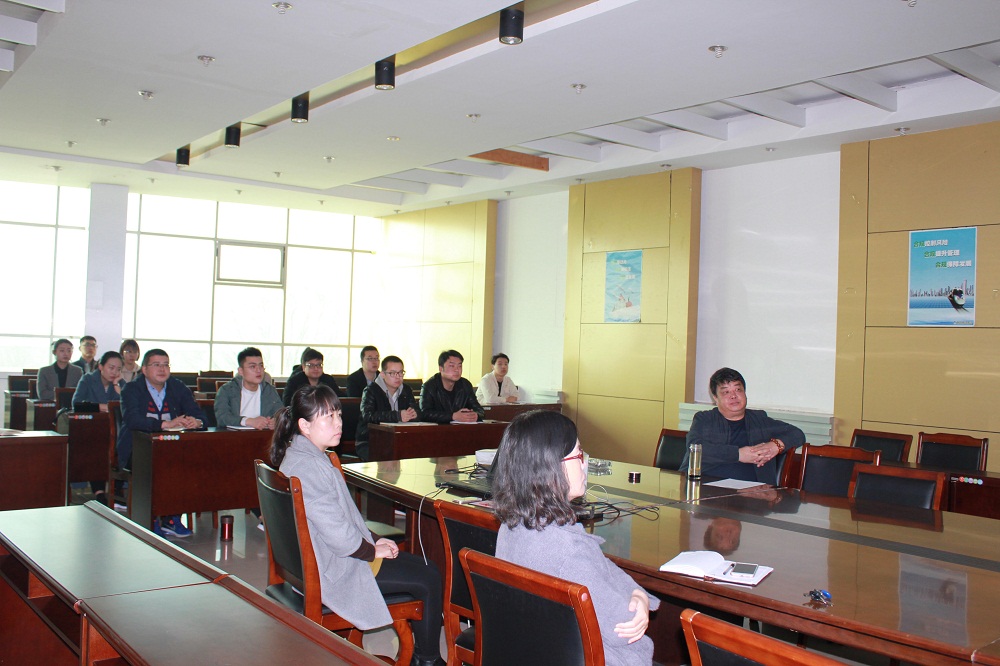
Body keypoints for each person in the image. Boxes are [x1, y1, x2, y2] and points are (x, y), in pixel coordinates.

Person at [270, 385, 444, 666]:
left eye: (338, 414)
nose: (338, 423)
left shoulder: (304, 455)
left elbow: (343, 517)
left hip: (321, 561)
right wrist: (370, 551)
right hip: (335, 569)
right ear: (304, 425)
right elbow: (338, 535)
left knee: (425, 568)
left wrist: (373, 539)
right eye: (328, 417)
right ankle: (428, 660)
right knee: (429, 576)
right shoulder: (309, 467)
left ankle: (426, 658)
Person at [492, 410, 659, 666]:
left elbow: (604, 568)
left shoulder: (512, 527)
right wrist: (641, 598)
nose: (584, 463)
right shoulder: (568, 551)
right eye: (579, 454)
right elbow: (623, 625)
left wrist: (636, 592)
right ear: (552, 466)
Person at [117, 348, 206, 538]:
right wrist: (165, 424)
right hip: (136, 449)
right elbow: (132, 420)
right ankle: (150, 520)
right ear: (144, 369)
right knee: (160, 465)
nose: (162, 369)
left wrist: (196, 421)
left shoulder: (178, 387)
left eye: (166, 365)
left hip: (171, 448)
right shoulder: (131, 389)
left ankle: (171, 518)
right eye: (156, 365)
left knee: (188, 463)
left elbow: (199, 414)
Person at [679, 367, 805, 484]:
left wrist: (775, 446)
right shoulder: (705, 419)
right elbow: (695, 448)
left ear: (745, 393)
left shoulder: (759, 420)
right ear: (715, 398)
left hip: (754, 494)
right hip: (706, 489)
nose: (733, 396)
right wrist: (739, 454)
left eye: (738, 390)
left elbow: (797, 434)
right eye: (726, 392)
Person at [355, 355, 420, 461]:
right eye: (392, 373)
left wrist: (414, 414)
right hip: (370, 440)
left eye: (400, 372)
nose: (398, 377)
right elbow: (367, 416)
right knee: (386, 458)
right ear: (382, 374)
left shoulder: (406, 390)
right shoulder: (370, 390)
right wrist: (397, 415)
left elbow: (417, 411)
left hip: (399, 439)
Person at [215, 347, 283, 429]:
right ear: (241, 371)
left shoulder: (269, 390)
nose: (259, 370)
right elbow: (222, 418)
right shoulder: (227, 390)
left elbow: (281, 414)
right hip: (233, 435)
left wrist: (275, 421)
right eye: (253, 367)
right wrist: (248, 421)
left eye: (261, 366)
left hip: (261, 435)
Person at [419, 350, 484, 423]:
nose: (457, 370)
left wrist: (475, 415)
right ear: (441, 368)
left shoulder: (465, 385)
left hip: (461, 428)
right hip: (438, 428)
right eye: (452, 366)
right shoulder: (429, 386)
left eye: (459, 366)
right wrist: (452, 416)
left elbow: (480, 410)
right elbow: (424, 414)